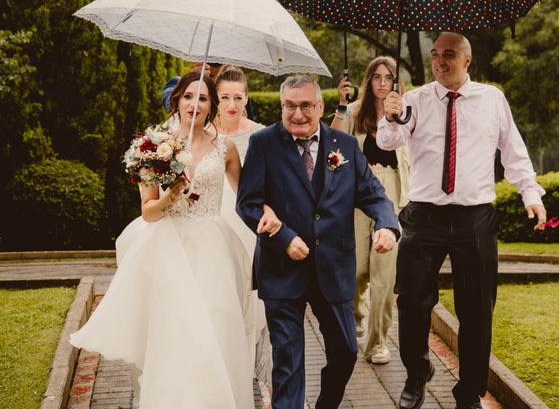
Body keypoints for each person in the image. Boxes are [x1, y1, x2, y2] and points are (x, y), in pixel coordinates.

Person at [70, 71, 280, 408]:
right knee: (175, 334)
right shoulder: (153, 146)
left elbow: (247, 198)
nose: (194, 104)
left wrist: (268, 213)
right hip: (168, 251)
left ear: (211, 106)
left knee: (216, 326)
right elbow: (148, 211)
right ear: (176, 100)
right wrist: (171, 197)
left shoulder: (224, 148)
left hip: (214, 250)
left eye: (203, 98)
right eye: (188, 97)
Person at [378, 32, 547, 409]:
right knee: (411, 303)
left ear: (467, 60)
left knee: (476, 309)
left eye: (449, 54)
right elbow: (389, 142)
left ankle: (469, 391)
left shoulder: (492, 99)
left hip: (476, 219)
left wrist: (530, 194)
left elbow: (514, 152)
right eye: (435, 54)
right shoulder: (414, 101)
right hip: (423, 217)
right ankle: (417, 373)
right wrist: (390, 116)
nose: (439, 61)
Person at [236, 75, 400, 409]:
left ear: (321, 106)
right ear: (282, 106)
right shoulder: (263, 144)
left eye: (306, 106)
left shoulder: (346, 146)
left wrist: (387, 225)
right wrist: (283, 237)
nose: (297, 114)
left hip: (334, 268)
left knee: (346, 353)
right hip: (282, 269)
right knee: (288, 362)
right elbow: (248, 203)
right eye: (289, 106)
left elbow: (374, 195)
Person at [331, 56, 411, 365]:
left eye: (388, 77)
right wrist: (341, 102)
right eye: (376, 77)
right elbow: (333, 139)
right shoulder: (354, 112)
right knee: (357, 272)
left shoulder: (405, 113)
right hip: (357, 195)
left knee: (383, 277)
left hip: (391, 194)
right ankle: (356, 315)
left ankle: (377, 343)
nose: (382, 83)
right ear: (368, 80)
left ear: (395, 82)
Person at [213, 64, 272, 393]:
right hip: (212, 220)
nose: (232, 104)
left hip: (248, 222)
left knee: (254, 301)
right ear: (215, 98)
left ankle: (264, 380)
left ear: (247, 97)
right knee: (220, 299)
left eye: (238, 96)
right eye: (225, 97)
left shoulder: (260, 134)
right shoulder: (202, 132)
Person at [162, 61, 255, 119]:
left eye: (216, 78)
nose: (212, 82)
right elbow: (171, 106)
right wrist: (193, 81)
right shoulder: (175, 83)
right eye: (209, 76)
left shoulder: (238, 96)